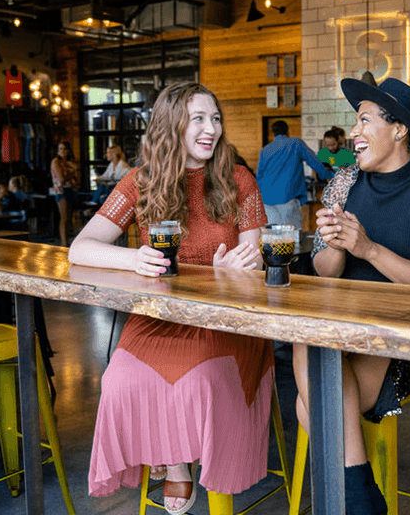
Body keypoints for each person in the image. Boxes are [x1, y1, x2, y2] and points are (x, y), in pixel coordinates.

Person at [68, 82, 269, 515]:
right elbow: (81, 248)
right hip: (160, 317)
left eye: (215, 119)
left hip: (226, 320)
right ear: (170, 125)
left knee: (197, 381)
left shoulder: (237, 179)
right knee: (118, 380)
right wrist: (133, 258)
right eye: (198, 118)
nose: (210, 128)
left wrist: (233, 273)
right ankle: (176, 461)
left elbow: (255, 261)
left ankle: (176, 464)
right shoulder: (142, 181)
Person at [293, 77, 410, 515]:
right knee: (307, 338)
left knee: (312, 396)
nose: (354, 132)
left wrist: (368, 249)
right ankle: (359, 494)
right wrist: (335, 245)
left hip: (406, 335)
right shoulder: (343, 183)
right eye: (355, 121)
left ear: (399, 130)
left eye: (364, 119)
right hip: (340, 328)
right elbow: (323, 271)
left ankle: (353, 495)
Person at [255, 120, 334, 238]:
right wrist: (330, 176)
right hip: (287, 198)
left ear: (273, 133)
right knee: (292, 238)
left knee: (272, 239)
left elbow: (259, 176)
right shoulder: (296, 143)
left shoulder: (265, 150)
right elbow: (314, 162)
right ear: (288, 131)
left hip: (266, 200)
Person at [51, 141, 79, 246]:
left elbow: (76, 173)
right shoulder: (55, 162)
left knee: (69, 217)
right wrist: (72, 173)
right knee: (64, 217)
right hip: (60, 190)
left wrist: (73, 173)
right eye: (60, 149)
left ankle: (67, 240)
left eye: (64, 149)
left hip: (69, 189)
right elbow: (61, 179)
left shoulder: (67, 162)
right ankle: (63, 243)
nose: (63, 151)